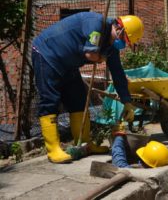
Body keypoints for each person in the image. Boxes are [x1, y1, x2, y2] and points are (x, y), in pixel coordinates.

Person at [32, 12, 144, 163]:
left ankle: (85, 145)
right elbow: (91, 55)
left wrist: (127, 101)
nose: (123, 44)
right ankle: (53, 149)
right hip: (48, 54)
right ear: (120, 29)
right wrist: (100, 57)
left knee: (78, 100)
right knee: (50, 101)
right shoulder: (96, 24)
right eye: (125, 39)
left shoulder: (111, 46)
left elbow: (117, 73)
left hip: (69, 64)